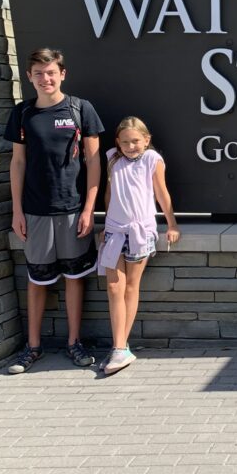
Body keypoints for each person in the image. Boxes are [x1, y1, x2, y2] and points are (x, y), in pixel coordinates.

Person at [5, 48, 104, 374]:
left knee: (75, 279)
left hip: (73, 209)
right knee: (38, 280)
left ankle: (74, 343)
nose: (45, 79)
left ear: (62, 74)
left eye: (51, 72)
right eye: (38, 73)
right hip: (34, 212)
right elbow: (18, 163)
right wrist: (17, 210)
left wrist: (90, 208)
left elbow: (93, 162)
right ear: (30, 77)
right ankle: (32, 348)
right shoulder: (22, 114)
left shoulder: (80, 110)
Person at [98, 117, 180, 375]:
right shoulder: (112, 158)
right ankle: (120, 346)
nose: (131, 146)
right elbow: (109, 192)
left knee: (131, 287)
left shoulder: (151, 161)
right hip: (114, 231)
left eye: (136, 141)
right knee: (114, 287)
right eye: (125, 142)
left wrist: (172, 224)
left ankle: (120, 347)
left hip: (139, 231)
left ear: (147, 140)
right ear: (117, 143)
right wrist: (105, 221)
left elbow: (161, 193)